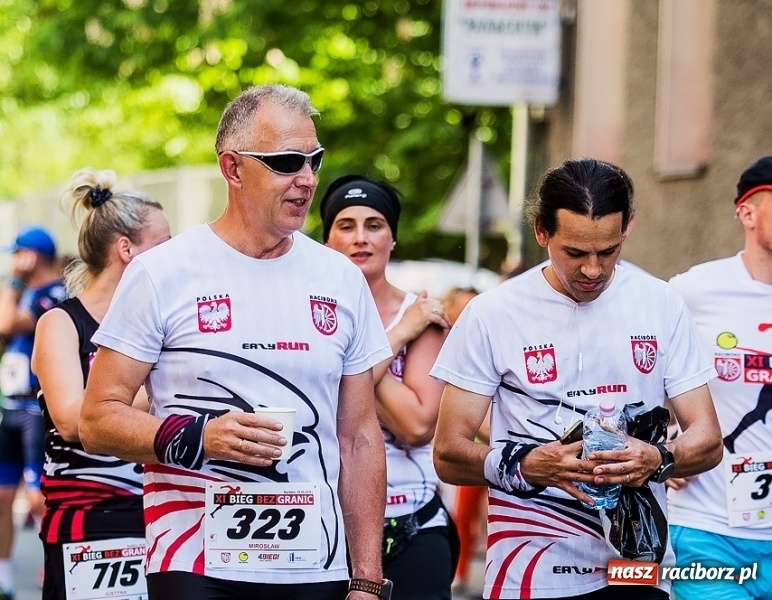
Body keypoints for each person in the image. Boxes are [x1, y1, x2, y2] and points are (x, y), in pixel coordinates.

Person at [78, 84, 392, 600]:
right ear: (233, 168)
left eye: (314, 160)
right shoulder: (163, 272)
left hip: (315, 562)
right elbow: (97, 419)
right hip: (193, 558)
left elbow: (358, 436)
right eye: (287, 161)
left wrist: (366, 578)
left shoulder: (339, 278)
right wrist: (200, 437)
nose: (308, 179)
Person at [430, 157, 724, 600]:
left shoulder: (659, 302)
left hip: (633, 567)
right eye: (575, 253)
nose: (593, 270)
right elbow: (448, 454)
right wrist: (526, 465)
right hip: (531, 570)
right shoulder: (493, 313)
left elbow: (708, 440)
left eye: (608, 251)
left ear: (627, 228)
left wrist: (657, 458)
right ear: (541, 232)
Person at [31, 168, 171, 600]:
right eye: (165, 245)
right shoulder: (62, 322)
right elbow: (76, 422)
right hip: (88, 519)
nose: (176, 257)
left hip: (161, 514)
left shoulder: (164, 325)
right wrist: (157, 395)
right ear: (126, 249)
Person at [320, 175, 455, 600]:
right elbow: (317, 409)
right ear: (326, 240)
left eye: (374, 224)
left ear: (393, 238)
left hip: (412, 518)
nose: (361, 238)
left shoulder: (423, 315)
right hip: (329, 523)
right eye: (346, 225)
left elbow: (416, 425)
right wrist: (396, 338)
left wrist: (345, 360)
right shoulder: (309, 311)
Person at [667, 156, 772, 600]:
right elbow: (634, 363)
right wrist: (659, 439)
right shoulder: (694, 291)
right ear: (747, 212)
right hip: (709, 528)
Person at [0, 224, 66, 600]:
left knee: (40, 496)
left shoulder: (53, 294)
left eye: (17, 253)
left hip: (34, 408)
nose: (13, 261)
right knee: (3, 495)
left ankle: (52, 566)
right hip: (10, 406)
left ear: (32, 256)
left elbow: (7, 324)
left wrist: (13, 282)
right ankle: (4, 576)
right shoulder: (25, 292)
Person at [438, 287, 486, 597]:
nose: (467, 315)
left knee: (484, 512)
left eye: (473, 307)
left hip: (487, 440)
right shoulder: (439, 342)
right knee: (462, 512)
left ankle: (469, 564)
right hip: (458, 443)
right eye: (462, 308)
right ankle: (459, 570)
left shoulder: (484, 342)